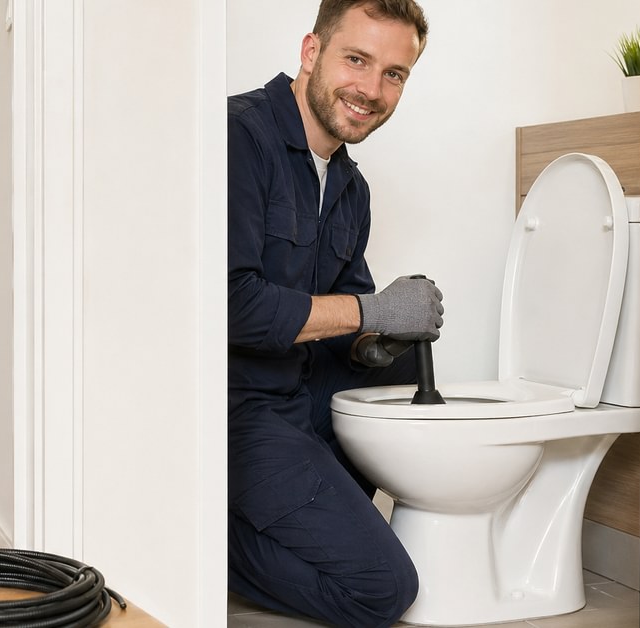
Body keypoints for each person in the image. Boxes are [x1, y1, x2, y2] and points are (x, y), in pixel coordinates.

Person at [227, 1, 442, 626]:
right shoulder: (240, 137)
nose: (371, 90)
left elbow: (348, 316)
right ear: (310, 51)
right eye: (357, 59)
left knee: (398, 380)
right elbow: (230, 306)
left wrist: (384, 332)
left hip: (298, 393)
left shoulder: (351, 187)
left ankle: (300, 508)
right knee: (381, 590)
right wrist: (370, 307)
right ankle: (210, 532)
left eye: (394, 74)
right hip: (237, 408)